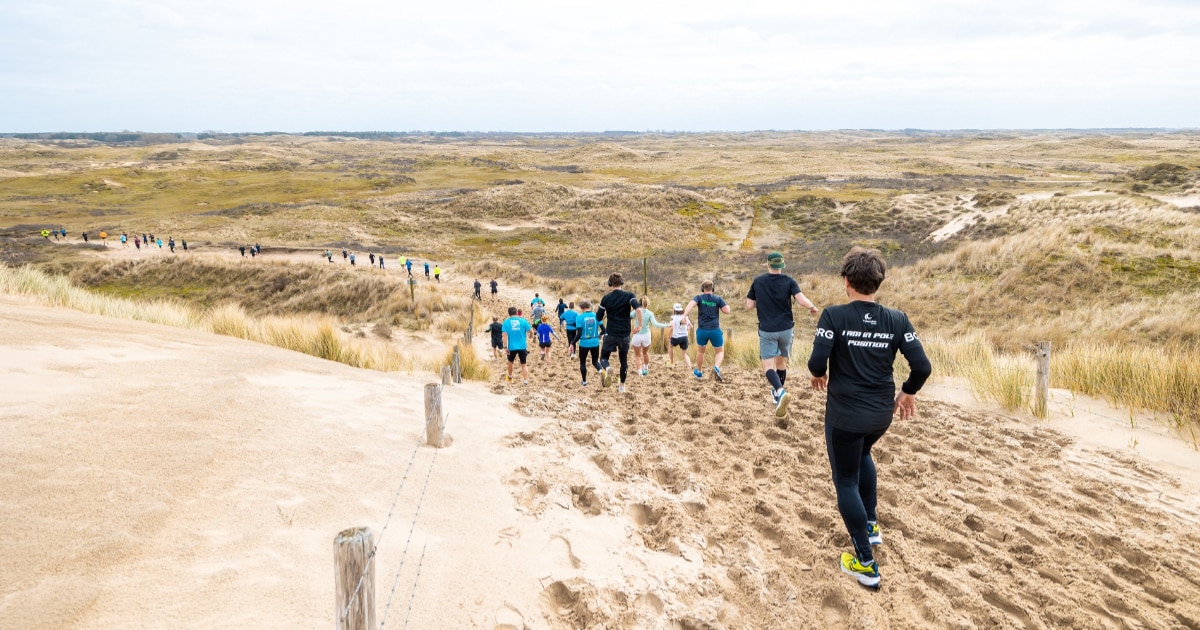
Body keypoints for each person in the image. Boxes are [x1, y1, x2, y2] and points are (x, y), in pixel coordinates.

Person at [808, 247, 931, 590]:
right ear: (878, 281)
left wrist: (819, 374)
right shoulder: (897, 319)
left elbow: (817, 363)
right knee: (863, 455)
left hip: (845, 416)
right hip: (880, 415)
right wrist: (908, 391)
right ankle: (872, 524)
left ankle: (865, 563)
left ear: (846, 281)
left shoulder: (833, 316)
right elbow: (922, 367)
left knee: (846, 480)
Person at [746, 251, 819, 417]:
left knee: (767, 366)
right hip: (786, 329)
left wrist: (762, 302)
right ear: (782, 265)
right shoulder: (789, 281)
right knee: (781, 363)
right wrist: (812, 307)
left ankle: (779, 391)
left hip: (767, 330)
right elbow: (801, 300)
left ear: (768, 264)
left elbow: (749, 305)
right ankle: (777, 394)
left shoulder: (758, 281)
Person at [595, 273, 639, 393]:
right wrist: (638, 324)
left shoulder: (606, 298)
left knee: (603, 357)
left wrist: (604, 313)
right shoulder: (629, 295)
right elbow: (638, 309)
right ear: (622, 283)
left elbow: (598, 318)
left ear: (610, 284)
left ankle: (608, 367)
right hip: (624, 334)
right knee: (623, 361)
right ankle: (622, 386)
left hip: (611, 333)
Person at [683, 280, 730, 381]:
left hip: (702, 330)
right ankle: (716, 367)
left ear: (702, 289)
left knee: (701, 352)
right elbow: (727, 311)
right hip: (715, 330)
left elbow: (690, 305)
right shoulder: (718, 298)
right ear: (712, 289)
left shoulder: (699, 298)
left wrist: (684, 316)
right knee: (719, 352)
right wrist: (723, 305)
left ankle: (699, 371)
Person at [630, 296, 669, 376]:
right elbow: (655, 324)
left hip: (637, 335)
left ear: (639, 303)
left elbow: (628, 317)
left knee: (637, 355)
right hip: (646, 335)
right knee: (645, 352)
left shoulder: (635, 311)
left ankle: (640, 372)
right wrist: (667, 325)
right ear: (647, 304)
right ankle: (646, 368)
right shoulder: (650, 313)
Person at [502, 306, 533, 384]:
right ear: (516, 312)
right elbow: (531, 331)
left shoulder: (506, 322)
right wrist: (530, 336)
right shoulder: (523, 321)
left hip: (511, 347)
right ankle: (525, 380)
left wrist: (505, 347)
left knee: (510, 362)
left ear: (509, 314)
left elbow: (504, 336)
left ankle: (510, 376)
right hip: (522, 346)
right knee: (524, 364)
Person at [575, 300, 603, 386]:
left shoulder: (579, 317)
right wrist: (600, 335)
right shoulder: (596, 316)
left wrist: (573, 342)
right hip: (595, 342)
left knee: (582, 362)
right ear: (589, 307)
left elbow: (579, 334)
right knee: (595, 361)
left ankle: (584, 381)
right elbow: (604, 330)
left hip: (584, 343)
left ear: (582, 308)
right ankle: (601, 371)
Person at [668, 303, 693, 369]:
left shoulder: (673, 317)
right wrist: (686, 329)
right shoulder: (685, 317)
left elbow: (671, 327)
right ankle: (689, 367)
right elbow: (691, 326)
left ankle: (672, 362)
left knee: (670, 346)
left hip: (676, 337)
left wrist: (668, 335)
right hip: (684, 337)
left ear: (674, 310)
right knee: (684, 354)